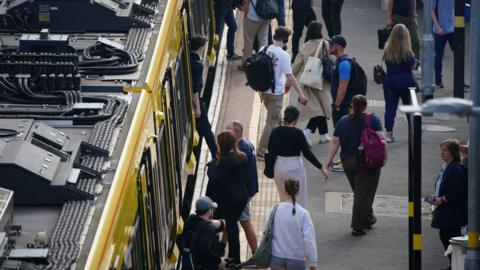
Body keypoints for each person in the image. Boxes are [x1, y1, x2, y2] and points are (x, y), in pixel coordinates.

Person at [326, 95, 387, 236]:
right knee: (363, 193)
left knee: (361, 192)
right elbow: (382, 141)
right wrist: (384, 158)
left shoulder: (343, 121)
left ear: (351, 106)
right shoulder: (373, 120)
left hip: (348, 162)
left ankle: (369, 218)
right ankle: (358, 226)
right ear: (366, 105)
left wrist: (329, 160)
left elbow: (335, 142)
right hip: (367, 162)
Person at [256, 27, 307, 160]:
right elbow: (290, 77)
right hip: (276, 93)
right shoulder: (284, 55)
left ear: (274, 37)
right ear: (285, 40)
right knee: (272, 122)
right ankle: (261, 152)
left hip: (263, 91)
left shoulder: (264, 49)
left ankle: (278, 145)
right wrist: (301, 94)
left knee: (277, 120)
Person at [268, 106, 328, 207]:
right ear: (296, 119)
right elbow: (307, 153)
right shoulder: (298, 133)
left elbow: (270, 150)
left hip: (278, 167)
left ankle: (285, 220)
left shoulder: (275, 131)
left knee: (283, 200)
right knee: (298, 201)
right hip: (294, 167)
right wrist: (321, 167)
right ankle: (298, 221)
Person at [292, 21, 333, 145]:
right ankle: (308, 132)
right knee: (320, 109)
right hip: (321, 80)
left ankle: (323, 134)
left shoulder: (305, 46)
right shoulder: (325, 43)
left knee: (318, 108)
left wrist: (288, 83)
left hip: (308, 80)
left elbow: (296, 66)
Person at [430, 139, 468, 269]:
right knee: (447, 235)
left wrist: (443, 199)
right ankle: (455, 264)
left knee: (449, 236)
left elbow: (459, 190)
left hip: (453, 211)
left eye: (445, 150)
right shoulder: (448, 166)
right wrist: (437, 196)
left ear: (452, 152)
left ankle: (457, 265)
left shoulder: (455, 169)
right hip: (448, 209)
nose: (442, 153)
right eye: (441, 150)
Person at [215, 131, 250, 265]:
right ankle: (232, 256)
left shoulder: (224, 161)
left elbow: (221, 182)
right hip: (242, 196)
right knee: (232, 225)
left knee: (232, 227)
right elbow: (246, 178)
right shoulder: (243, 157)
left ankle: (235, 258)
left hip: (230, 198)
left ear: (222, 144)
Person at [226, 120, 259, 259]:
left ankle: (256, 255)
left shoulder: (241, 149)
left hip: (243, 193)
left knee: (245, 222)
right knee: (231, 219)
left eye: (228, 130)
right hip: (246, 190)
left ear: (236, 133)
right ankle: (222, 248)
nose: (226, 132)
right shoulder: (246, 145)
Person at [268, 179, 318, 270]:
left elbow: (265, 230)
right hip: (296, 259)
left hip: (277, 257)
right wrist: (313, 262)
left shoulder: (274, 209)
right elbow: (309, 239)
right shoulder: (303, 214)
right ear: (298, 192)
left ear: (284, 191)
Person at [382, 24, 417, 143]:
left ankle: (389, 133)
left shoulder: (387, 48)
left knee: (390, 108)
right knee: (409, 106)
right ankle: (413, 130)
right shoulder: (407, 51)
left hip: (390, 80)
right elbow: (413, 66)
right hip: (405, 81)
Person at [190, 35, 218, 157]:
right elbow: (195, 89)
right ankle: (216, 154)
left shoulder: (189, 58)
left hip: (194, 100)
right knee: (207, 130)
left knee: (205, 129)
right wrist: (198, 108)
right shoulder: (197, 64)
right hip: (197, 101)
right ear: (201, 48)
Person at [182, 196, 226, 270]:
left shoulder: (190, 221)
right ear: (209, 211)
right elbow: (205, 250)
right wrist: (219, 261)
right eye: (212, 209)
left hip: (189, 264)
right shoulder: (207, 228)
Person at [328, 35, 353, 127]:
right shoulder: (339, 62)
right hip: (340, 104)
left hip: (343, 106)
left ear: (338, 46)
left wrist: (337, 105)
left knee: (342, 133)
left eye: (331, 44)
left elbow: (343, 86)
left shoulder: (344, 64)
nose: (329, 46)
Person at [240, 0, 269, 68]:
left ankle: (247, 63)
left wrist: (245, 14)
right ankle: (263, 62)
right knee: (263, 41)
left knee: (249, 41)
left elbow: (246, 1)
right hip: (265, 15)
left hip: (252, 17)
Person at [431, 0, 454, 89]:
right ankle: (438, 80)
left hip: (453, 29)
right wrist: (437, 26)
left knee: (459, 55)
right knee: (439, 55)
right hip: (440, 30)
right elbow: (431, 10)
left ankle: (460, 81)